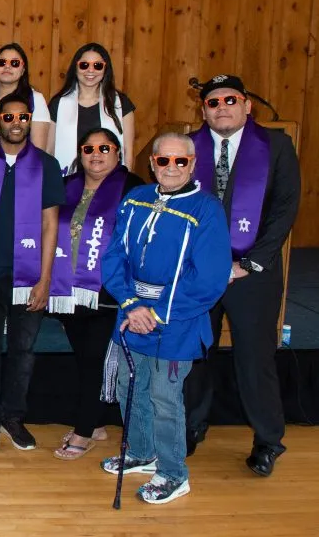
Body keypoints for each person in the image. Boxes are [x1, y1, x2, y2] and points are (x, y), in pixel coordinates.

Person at [100, 132, 231, 505]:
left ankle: (174, 473)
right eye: (163, 160)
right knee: (128, 386)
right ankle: (141, 451)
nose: (171, 168)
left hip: (176, 319)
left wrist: (155, 313)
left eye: (180, 161)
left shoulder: (206, 209)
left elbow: (209, 277)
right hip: (131, 312)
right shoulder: (135, 199)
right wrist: (129, 304)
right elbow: (114, 257)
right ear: (152, 162)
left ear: (192, 164)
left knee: (164, 396)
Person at [184, 75, 301, 476]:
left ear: (247, 105)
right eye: (213, 103)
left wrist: (251, 262)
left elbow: (285, 208)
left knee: (256, 358)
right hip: (198, 273)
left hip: (253, 272)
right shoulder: (187, 149)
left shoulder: (276, 146)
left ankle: (268, 440)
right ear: (204, 111)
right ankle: (190, 427)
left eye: (230, 100)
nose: (222, 108)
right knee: (195, 353)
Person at [0, 93, 64, 452]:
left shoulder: (47, 166)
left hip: (30, 274)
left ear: (30, 120)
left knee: (24, 349)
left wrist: (46, 278)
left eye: (23, 117)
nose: (16, 123)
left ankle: (14, 417)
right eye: (9, 117)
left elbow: (51, 225)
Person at [48, 128, 143, 460]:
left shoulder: (134, 188)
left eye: (105, 147)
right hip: (68, 292)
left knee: (93, 362)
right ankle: (99, 421)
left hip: (109, 291)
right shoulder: (66, 186)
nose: (96, 154)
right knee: (85, 359)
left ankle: (84, 431)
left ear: (118, 152)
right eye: (89, 148)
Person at [48, 43, 136, 175]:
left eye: (97, 66)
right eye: (84, 65)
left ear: (105, 69)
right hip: (66, 181)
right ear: (75, 67)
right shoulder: (58, 104)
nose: (90, 70)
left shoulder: (121, 103)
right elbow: (49, 150)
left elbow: (128, 151)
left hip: (111, 182)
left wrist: (125, 183)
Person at [0, 43, 53, 150]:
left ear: (23, 70)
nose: (7, 66)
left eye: (15, 63)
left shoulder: (35, 100)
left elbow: (39, 151)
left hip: (21, 166)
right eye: (2, 62)